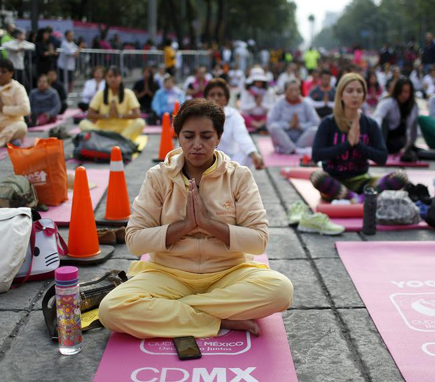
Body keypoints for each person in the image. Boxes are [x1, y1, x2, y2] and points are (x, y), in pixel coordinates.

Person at [97, 98, 293, 339]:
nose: (197, 145)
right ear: (178, 137)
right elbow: (135, 241)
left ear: (219, 137)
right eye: (188, 136)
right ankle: (220, 318)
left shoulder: (238, 176)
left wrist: (209, 224)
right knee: (110, 310)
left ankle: (181, 311)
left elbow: (258, 241)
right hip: (168, 273)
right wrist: (185, 226)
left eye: (206, 136)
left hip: (228, 272)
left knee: (281, 291)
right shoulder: (158, 177)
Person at [310, 72, 409, 203]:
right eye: (350, 91)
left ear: (363, 96)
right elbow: (316, 155)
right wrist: (347, 144)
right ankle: (352, 197)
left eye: (359, 91)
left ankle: (359, 198)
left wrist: (358, 144)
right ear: (341, 95)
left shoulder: (370, 124)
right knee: (317, 177)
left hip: (361, 181)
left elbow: (382, 158)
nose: (355, 95)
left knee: (400, 176)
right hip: (334, 181)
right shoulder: (328, 123)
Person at [204, 78, 264, 169]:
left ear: (226, 99)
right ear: (206, 98)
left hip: (231, 160)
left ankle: (230, 177)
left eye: (220, 95)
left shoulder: (233, 115)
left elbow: (242, 136)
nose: (216, 98)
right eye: (212, 95)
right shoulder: (201, 116)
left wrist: (254, 154)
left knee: (247, 153)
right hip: (208, 160)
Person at [80, 66, 145, 141]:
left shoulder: (128, 93)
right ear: (106, 78)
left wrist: (119, 116)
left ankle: (119, 140)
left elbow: (137, 114)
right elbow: (89, 115)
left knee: (140, 122)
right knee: (83, 123)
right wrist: (106, 116)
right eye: (110, 76)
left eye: (115, 76)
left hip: (123, 131)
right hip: (103, 131)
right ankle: (114, 140)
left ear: (120, 77)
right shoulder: (100, 94)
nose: (113, 79)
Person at [267, 79, 320, 155]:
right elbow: (270, 122)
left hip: (301, 138)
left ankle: (292, 149)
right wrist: (288, 125)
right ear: (285, 91)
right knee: (273, 128)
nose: (294, 93)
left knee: (315, 130)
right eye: (291, 90)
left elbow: (316, 122)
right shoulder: (279, 103)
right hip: (284, 137)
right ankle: (295, 149)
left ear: (300, 91)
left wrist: (300, 126)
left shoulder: (306, 103)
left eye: (296, 90)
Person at [373, 77, 419, 156]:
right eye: (401, 91)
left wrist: (411, 145)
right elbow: (378, 117)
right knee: (384, 122)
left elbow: (413, 128)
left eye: (406, 92)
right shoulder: (387, 102)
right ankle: (380, 149)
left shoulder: (413, 107)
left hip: (399, 140)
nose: (403, 94)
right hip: (385, 137)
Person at [239, 68, 276, 132]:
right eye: (257, 80)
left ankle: (259, 126)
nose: (259, 82)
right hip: (250, 118)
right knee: (240, 115)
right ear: (253, 81)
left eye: (260, 80)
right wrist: (255, 104)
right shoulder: (246, 91)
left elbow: (272, 107)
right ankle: (258, 126)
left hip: (263, 118)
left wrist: (261, 104)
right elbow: (243, 107)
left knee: (273, 115)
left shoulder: (269, 91)